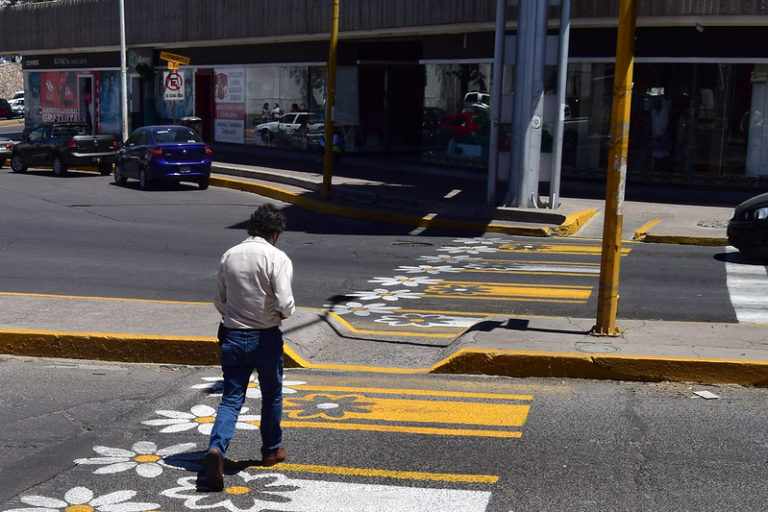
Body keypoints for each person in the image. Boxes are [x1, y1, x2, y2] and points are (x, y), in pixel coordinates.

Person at [204, 203, 295, 492]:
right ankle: (271, 449)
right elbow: (285, 304)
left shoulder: (229, 255)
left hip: (233, 335)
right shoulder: (277, 257)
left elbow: (220, 299)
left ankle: (217, 450)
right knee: (271, 394)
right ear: (274, 233)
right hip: (266, 337)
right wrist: (278, 315)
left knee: (232, 398)